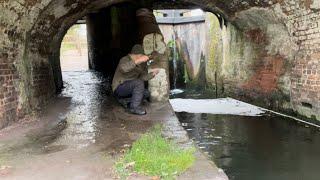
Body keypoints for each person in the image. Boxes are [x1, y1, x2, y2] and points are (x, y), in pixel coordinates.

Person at [112, 44, 159, 115]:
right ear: (136, 55)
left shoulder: (140, 64)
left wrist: (152, 74)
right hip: (119, 88)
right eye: (140, 56)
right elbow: (124, 68)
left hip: (130, 87)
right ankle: (134, 107)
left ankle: (126, 101)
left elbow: (142, 77)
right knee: (138, 83)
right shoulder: (124, 59)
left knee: (146, 93)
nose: (141, 58)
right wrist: (138, 61)